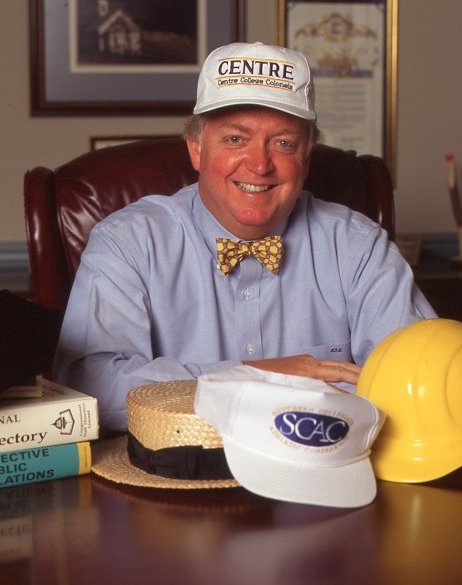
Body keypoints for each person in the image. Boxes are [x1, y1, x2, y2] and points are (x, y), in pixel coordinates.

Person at [53, 42, 435, 431]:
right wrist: (256, 374)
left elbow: (422, 380)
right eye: (235, 139)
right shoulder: (128, 242)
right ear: (197, 150)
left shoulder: (359, 245)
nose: (259, 164)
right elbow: (89, 387)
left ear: (306, 159)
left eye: (283, 143)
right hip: (173, 477)